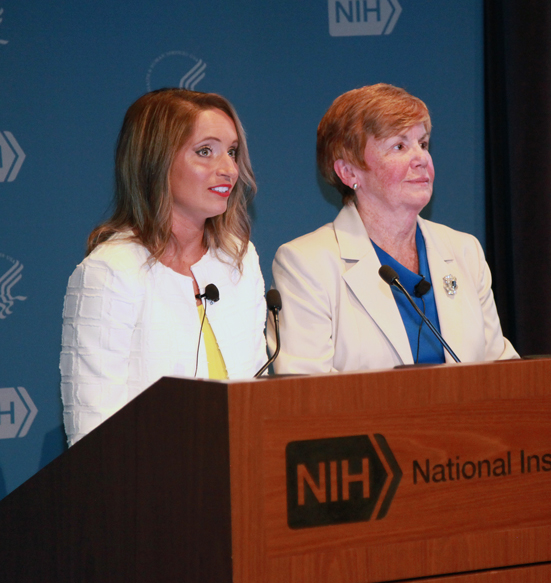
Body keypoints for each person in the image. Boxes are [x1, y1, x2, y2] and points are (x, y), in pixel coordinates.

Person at [60, 89, 267, 446]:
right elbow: (92, 439)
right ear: (155, 162)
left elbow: (258, 397)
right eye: (205, 151)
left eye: (232, 152)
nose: (229, 170)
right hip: (150, 476)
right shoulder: (110, 271)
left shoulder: (239, 258)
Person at [269, 83, 518, 373]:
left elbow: (502, 371)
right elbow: (305, 389)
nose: (421, 158)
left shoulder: (464, 251)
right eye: (399, 146)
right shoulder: (306, 264)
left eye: (423, 144)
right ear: (348, 171)